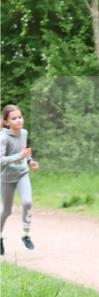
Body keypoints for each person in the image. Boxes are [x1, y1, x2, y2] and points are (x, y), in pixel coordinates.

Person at [1, 104, 39, 255]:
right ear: (6, 122)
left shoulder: (24, 133)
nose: (18, 120)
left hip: (22, 173)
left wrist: (30, 161)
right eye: (14, 118)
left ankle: (25, 235)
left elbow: (25, 152)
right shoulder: (3, 138)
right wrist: (20, 156)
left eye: (20, 117)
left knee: (27, 202)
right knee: (6, 211)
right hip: (6, 177)